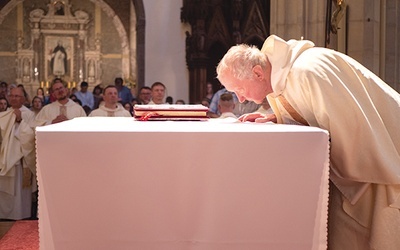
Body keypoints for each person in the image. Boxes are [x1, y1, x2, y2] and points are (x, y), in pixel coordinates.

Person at [216, 34, 400, 250]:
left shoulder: (307, 73)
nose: (241, 99)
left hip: (373, 170)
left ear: (257, 73)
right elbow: (315, 111)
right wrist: (279, 116)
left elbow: (353, 130)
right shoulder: (283, 75)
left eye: (239, 90)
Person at [0, 85, 36, 220]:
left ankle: (21, 221)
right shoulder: (4, 114)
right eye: (12, 96)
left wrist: (20, 121)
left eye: (17, 96)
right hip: (5, 159)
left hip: (21, 161)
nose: (14, 98)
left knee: (19, 197)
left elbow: (32, 135)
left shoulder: (29, 114)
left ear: (23, 99)